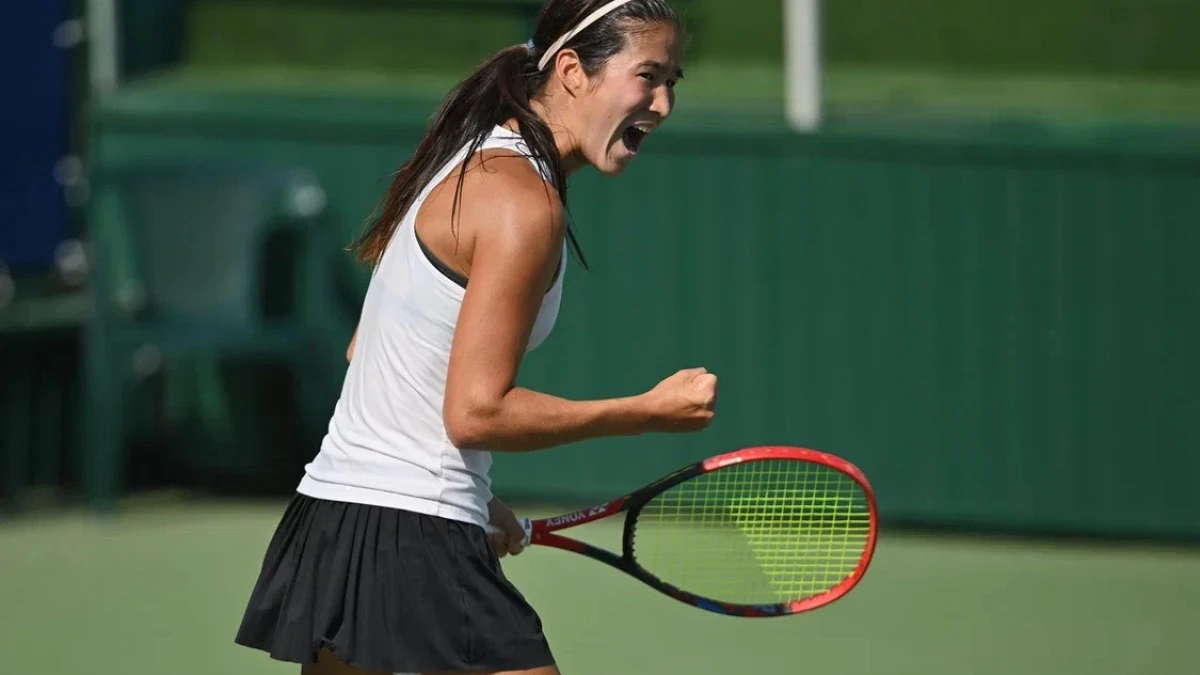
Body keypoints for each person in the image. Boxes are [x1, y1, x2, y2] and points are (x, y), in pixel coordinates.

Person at [234, 1, 716, 673]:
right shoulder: (521, 200)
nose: (662, 103)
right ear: (572, 71)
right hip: (408, 533)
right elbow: (476, 412)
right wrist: (643, 411)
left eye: (672, 81)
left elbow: (368, 351)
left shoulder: (473, 161)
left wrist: (473, 496)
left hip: (340, 520)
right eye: (648, 76)